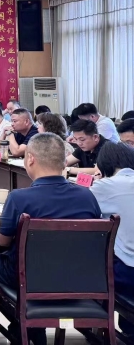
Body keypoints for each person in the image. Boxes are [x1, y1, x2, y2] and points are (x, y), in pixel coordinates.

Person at [0, 133, 101, 345]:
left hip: (29, 279)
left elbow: (2, 242)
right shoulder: (87, 196)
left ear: (30, 159)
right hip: (78, 278)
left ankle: (22, 327)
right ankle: (27, 328)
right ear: (64, 162)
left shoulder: (18, 198)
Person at [90, 142, 134, 339]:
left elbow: (84, 211)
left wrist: (99, 182)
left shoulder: (104, 186)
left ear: (104, 164)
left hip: (127, 275)